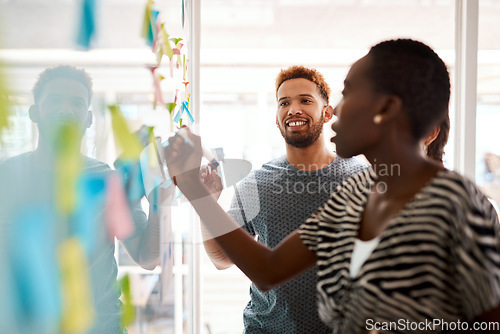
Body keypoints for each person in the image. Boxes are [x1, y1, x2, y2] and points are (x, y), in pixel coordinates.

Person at [165, 39, 500, 333]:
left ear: (385, 109)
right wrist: (197, 193)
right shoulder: (354, 195)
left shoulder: (457, 204)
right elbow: (269, 269)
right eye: (283, 102)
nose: (336, 109)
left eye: (350, 92)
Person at [0, 66, 167, 334]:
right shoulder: (6, 176)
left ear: (88, 118)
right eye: (54, 101)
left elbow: (146, 257)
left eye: (76, 103)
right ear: (34, 113)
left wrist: (159, 197)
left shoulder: (109, 179)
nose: (65, 110)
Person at [200, 65, 367, 333]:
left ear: (327, 113)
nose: (293, 109)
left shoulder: (362, 179)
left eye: (305, 100)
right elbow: (221, 258)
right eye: (284, 103)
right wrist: (205, 201)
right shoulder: (256, 183)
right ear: (277, 119)